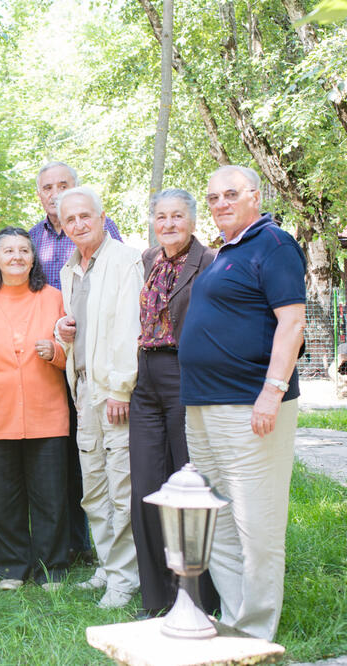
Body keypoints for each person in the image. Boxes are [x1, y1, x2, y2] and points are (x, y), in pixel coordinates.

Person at [179, 165, 306, 640]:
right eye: (212, 198)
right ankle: (235, 619)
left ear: (255, 195)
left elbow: (291, 325)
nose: (220, 204)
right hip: (204, 405)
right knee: (221, 516)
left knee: (256, 520)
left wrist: (271, 394)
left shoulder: (274, 244)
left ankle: (256, 632)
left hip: (248, 405)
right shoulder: (226, 253)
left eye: (230, 194)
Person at [0, 227, 70, 591]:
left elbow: (78, 352)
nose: (17, 257)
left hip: (47, 414)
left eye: (24, 250)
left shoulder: (55, 298)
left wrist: (55, 353)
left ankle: (51, 567)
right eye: (9, 251)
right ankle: (11, 567)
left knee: (50, 496)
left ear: (33, 258)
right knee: (3, 497)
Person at [128, 188, 218, 620]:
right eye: (161, 216)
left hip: (186, 374)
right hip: (145, 378)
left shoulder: (211, 263)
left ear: (193, 220)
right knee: (146, 485)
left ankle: (200, 596)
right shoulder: (147, 260)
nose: (168, 224)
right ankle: (156, 596)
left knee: (190, 483)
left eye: (177, 216)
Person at [29, 161, 122, 566]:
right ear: (39, 195)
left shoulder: (105, 235)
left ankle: (106, 551)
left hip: (100, 366)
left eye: (62, 185)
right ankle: (72, 541)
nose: (54, 193)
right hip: (57, 363)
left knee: (106, 463)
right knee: (69, 457)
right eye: (47, 187)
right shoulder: (33, 239)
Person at [55, 186, 142, 609]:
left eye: (85, 216)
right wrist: (62, 333)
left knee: (121, 485)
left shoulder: (126, 261)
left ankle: (126, 579)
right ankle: (108, 566)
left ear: (102, 215)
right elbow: (79, 329)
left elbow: (130, 329)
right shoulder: (70, 269)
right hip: (83, 388)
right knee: (94, 486)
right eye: (69, 220)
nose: (78, 225)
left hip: (114, 391)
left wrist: (122, 387)